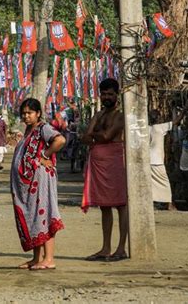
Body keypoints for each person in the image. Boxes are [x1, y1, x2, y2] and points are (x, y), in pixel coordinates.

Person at [10, 98, 66, 270]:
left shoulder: (44, 128)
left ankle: (49, 259)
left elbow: (60, 140)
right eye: (24, 113)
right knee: (34, 217)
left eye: (30, 113)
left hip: (41, 180)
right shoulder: (28, 130)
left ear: (38, 113)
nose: (26, 116)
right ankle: (36, 258)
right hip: (29, 184)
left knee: (45, 214)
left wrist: (45, 156)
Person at [81, 78, 128, 262]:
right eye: (104, 94)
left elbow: (107, 136)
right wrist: (95, 136)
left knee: (121, 205)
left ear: (117, 95)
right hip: (99, 164)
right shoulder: (98, 115)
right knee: (104, 206)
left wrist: (94, 135)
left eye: (110, 94)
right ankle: (105, 248)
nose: (106, 97)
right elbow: (85, 137)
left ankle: (121, 248)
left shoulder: (120, 116)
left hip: (115, 162)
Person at [148, 110, 176, 210]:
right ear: (158, 118)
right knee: (165, 183)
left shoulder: (146, 129)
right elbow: (175, 122)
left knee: (150, 184)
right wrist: (184, 110)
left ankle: (153, 203)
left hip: (148, 161)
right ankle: (169, 204)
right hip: (157, 161)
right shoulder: (160, 128)